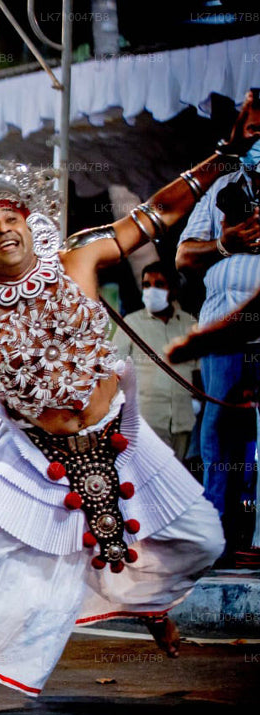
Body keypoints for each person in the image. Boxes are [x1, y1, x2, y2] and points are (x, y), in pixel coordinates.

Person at [0, 147, 240, 714]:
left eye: (12, 217)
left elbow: (155, 214)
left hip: (120, 441)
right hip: (33, 458)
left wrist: (219, 159)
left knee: (203, 538)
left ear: (31, 225)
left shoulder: (79, 259)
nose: (4, 228)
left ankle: (147, 601)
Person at [175, 97, 260, 564]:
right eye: (250, 132)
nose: (256, 141)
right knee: (217, 437)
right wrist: (225, 245)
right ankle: (215, 543)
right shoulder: (221, 187)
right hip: (222, 334)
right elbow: (184, 256)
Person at [111, 261, 200, 463]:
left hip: (183, 421)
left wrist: (197, 403)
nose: (151, 291)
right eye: (146, 285)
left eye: (159, 284)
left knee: (178, 479)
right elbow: (114, 371)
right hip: (145, 421)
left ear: (174, 290)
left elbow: (198, 372)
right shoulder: (131, 324)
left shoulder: (190, 324)